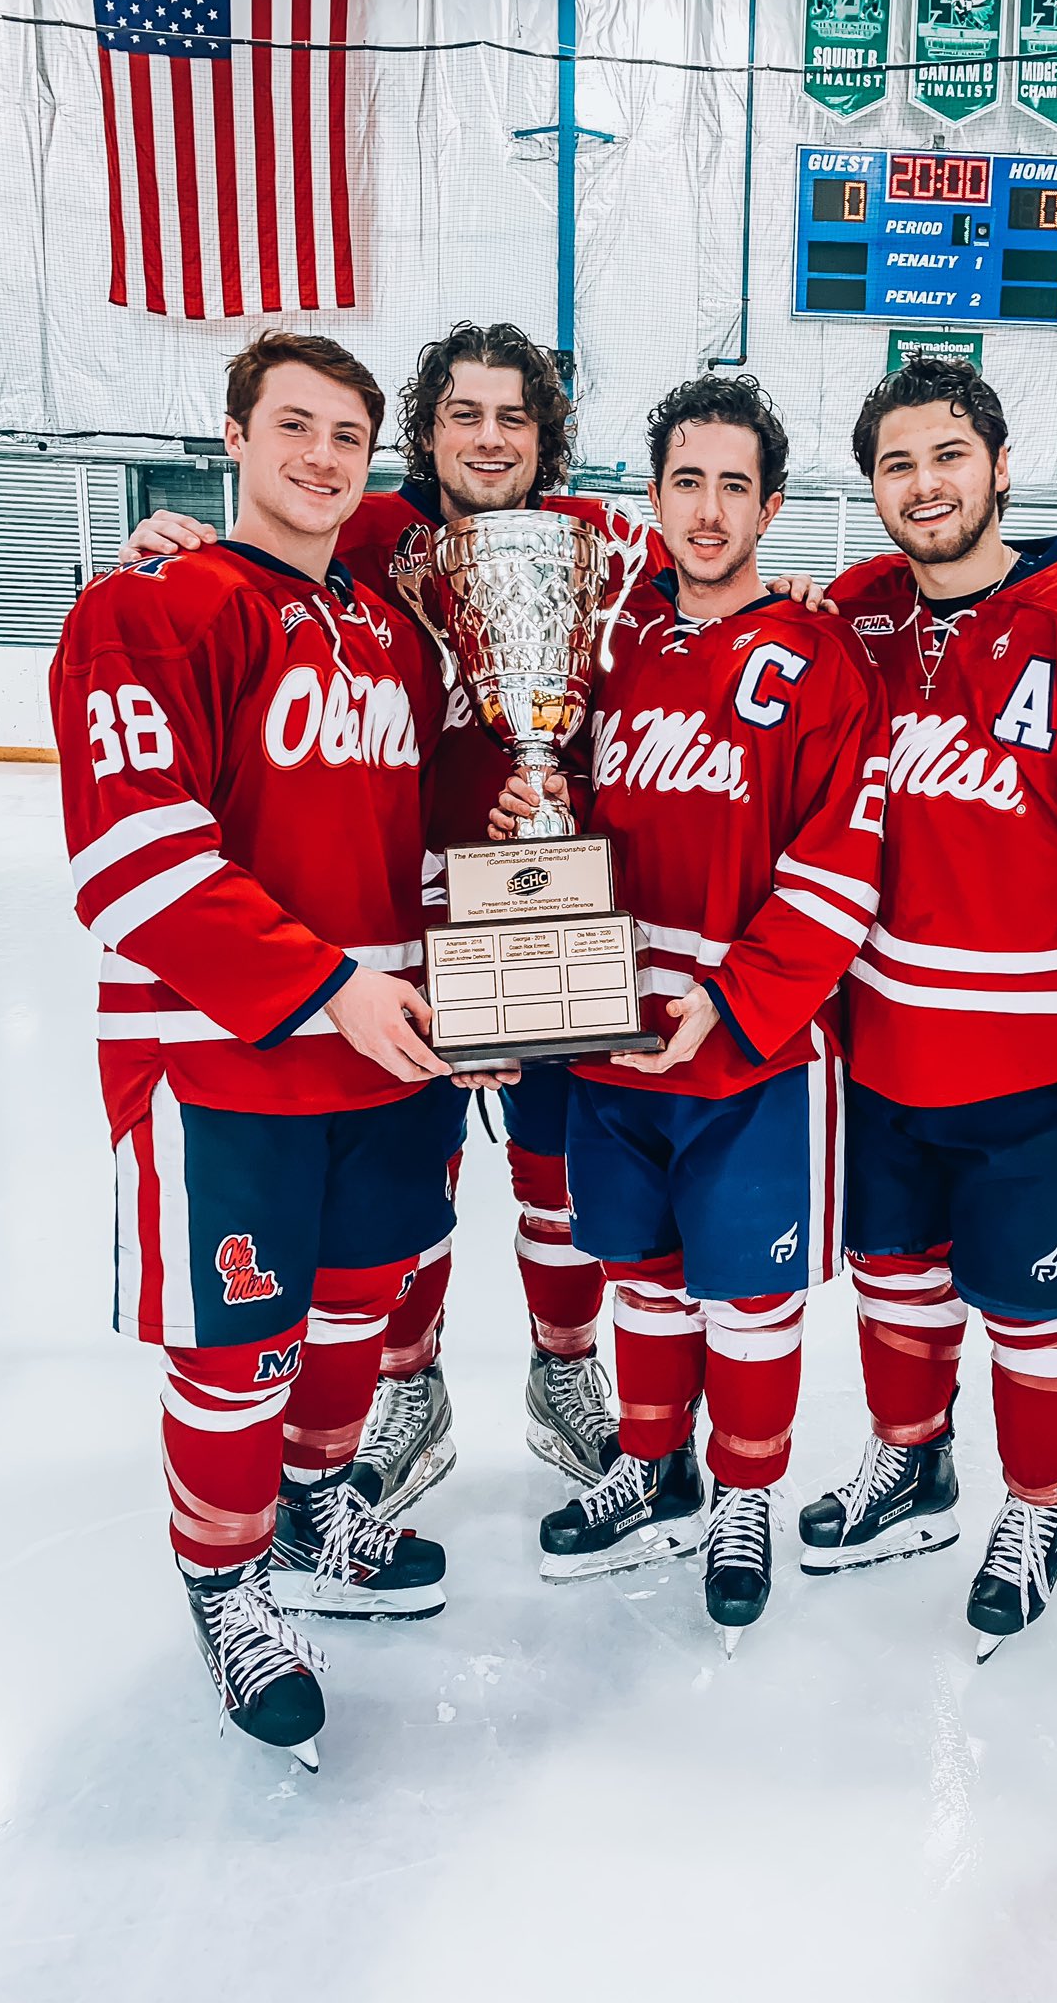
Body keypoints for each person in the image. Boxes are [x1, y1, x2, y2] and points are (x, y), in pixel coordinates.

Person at [119, 323, 828, 1517]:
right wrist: (171, 541)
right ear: (428, 429)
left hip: (562, 912)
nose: (490, 436)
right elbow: (256, 558)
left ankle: (566, 1367)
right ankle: (409, 1378)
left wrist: (822, 590)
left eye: (514, 415)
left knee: (556, 1176)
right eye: (463, 413)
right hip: (399, 928)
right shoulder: (367, 538)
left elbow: (718, 590)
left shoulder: (604, 543)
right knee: (418, 1184)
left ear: (545, 434)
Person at [50, 332, 461, 1768]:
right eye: (295, 427)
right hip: (222, 1062)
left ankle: (314, 1506)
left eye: (349, 436)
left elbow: (419, 843)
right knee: (240, 1352)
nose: (323, 459)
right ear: (232, 436)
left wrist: (486, 995)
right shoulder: (148, 606)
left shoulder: (392, 628)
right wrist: (325, 986)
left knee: (356, 1314)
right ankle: (227, 1584)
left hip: (389, 1055)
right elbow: (132, 858)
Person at [799, 357, 1057, 1660]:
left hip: (1042, 1067)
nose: (924, 488)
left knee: (1040, 1308)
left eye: (947, 458)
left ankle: (1036, 1506)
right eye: (896, 466)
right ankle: (911, 1465)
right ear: (871, 487)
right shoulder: (860, 615)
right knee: (896, 1281)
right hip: (883, 1048)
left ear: (995, 461)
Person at [492, 374, 888, 1645]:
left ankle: (746, 1494)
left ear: (770, 504)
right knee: (646, 1282)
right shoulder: (601, 638)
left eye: (734, 485)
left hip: (749, 1052)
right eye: (685, 481)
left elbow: (844, 859)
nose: (707, 511)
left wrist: (735, 998)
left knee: (749, 1298)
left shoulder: (821, 654)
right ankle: (656, 1467)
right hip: (610, 1040)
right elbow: (562, 801)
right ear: (650, 493)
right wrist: (524, 827)